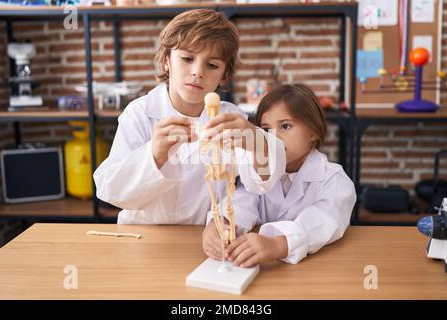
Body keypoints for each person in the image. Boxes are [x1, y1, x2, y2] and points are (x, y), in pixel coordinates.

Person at [93, 9, 285, 224]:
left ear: (224, 75)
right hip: (144, 235)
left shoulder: (232, 118)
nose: (197, 71)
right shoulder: (139, 114)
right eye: (187, 58)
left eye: (212, 65)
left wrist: (257, 142)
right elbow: (112, 191)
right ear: (167, 60)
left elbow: (251, 188)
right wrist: (154, 155)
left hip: (202, 236)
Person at [202, 84, 356, 265]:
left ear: (313, 131)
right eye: (267, 130)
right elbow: (242, 200)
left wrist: (277, 245)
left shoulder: (334, 180)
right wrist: (219, 224)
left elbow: (324, 222)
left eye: (285, 126)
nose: (274, 138)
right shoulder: (258, 172)